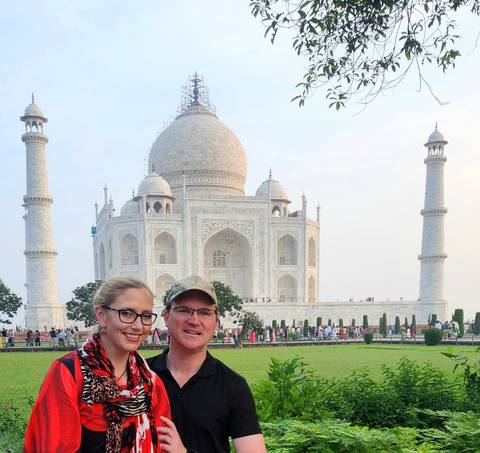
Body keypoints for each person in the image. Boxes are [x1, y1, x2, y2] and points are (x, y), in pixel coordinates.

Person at [24, 277, 177, 453]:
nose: (138, 325)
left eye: (146, 316)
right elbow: (55, 447)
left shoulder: (149, 383)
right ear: (101, 316)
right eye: (127, 313)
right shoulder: (70, 374)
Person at [148, 275, 266, 453]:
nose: (194, 320)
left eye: (204, 312)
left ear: (216, 322)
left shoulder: (232, 386)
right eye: (183, 310)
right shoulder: (140, 375)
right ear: (166, 316)